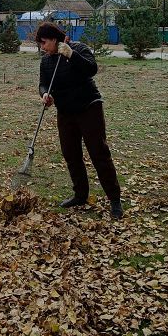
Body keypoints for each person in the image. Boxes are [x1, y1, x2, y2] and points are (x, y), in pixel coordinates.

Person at [34, 22, 124, 220]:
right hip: (65, 111)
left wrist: (71, 55)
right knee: (71, 154)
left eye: (44, 42)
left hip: (89, 107)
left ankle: (114, 199)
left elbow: (92, 69)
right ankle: (80, 195)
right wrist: (45, 94)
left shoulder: (78, 49)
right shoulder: (46, 61)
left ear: (54, 39)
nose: (42, 47)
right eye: (40, 44)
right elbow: (43, 83)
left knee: (99, 153)